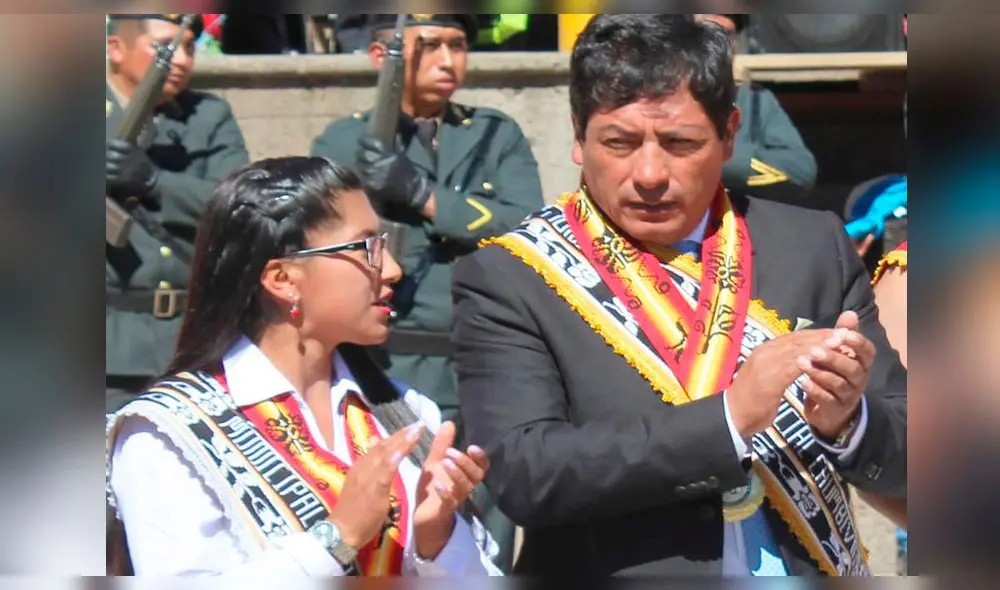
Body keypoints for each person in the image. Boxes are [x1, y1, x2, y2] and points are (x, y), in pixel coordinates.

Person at [452, 14, 906, 577]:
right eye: (618, 142)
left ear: (730, 133)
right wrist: (728, 419)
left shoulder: (811, 246)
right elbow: (525, 474)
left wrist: (848, 420)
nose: (648, 173)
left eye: (680, 143)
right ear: (577, 136)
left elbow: (913, 456)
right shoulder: (512, 274)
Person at [106, 156, 501, 577]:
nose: (392, 270)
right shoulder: (169, 433)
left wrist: (435, 539)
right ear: (283, 280)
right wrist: (338, 537)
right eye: (367, 247)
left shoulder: (404, 413)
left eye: (385, 245)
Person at [311, 13, 544, 573]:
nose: (448, 60)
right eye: (429, 46)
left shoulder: (495, 132)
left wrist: (424, 195)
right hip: (390, 360)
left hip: (483, 355)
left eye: (458, 45)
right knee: (399, 517)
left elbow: (525, 226)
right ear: (380, 56)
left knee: (489, 511)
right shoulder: (344, 140)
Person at [105, 14, 250, 414]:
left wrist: (155, 182)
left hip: (192, 346)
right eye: (165, 47)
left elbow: (239, 205)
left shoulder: (208, 117)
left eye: (189, 47)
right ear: (115, 48)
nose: (182, 60)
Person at [696, 13, 818, 203]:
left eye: (727, 35)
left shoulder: (754, 98)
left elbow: (800, 172)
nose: (719, 44)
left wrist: (715, 161)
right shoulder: (654, 95)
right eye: (707, 32)